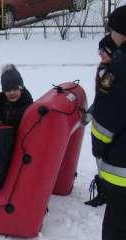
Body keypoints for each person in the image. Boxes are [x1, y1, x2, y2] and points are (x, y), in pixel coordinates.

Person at [91, 6, 126, 240]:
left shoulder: (118, 70)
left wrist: (99, 149)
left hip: (121, 167)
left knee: (117, 226)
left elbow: (105, 120)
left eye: (113, 30)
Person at [85, 35, 117, 208]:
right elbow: (100, 98)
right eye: (99, 51)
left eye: (104, 51)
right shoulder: (103, 69)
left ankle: (110, 193)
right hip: (100, 122)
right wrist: (91, 112)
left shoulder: (115, 71)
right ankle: (103, 191)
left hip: (111, 124)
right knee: (99, 156)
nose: (100, 54)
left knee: (109, 158)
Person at [0, 64, 33, 130]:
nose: (12, 93)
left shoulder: (27, 104)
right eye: (8, 90)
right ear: (4, 91)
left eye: (15, 89)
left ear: (21, 89)